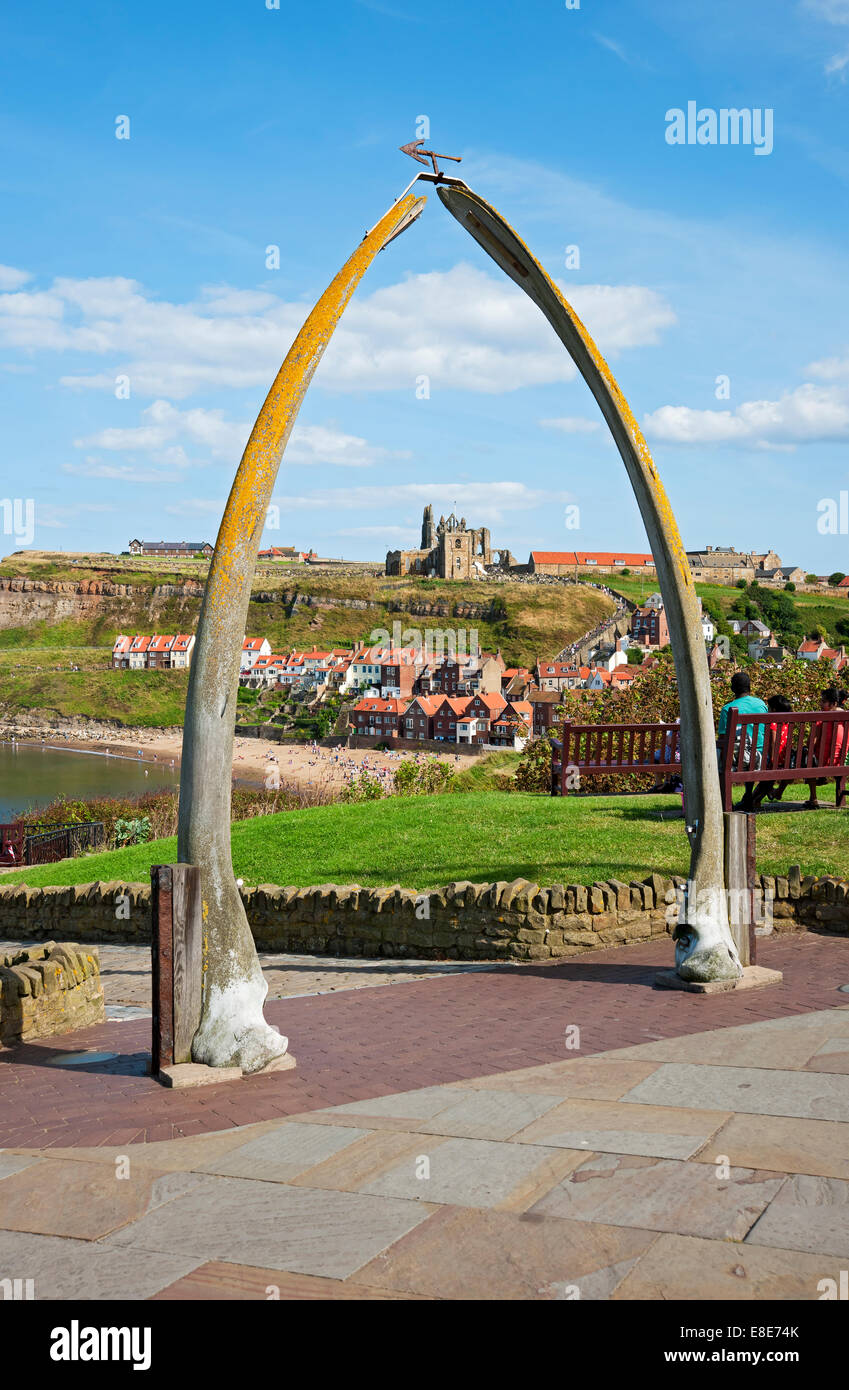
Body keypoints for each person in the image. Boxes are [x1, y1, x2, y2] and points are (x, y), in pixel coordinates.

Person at [717, 671, 768, 810]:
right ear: (749, 687)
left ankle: (723, 801)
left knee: (717, 756)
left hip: (738, 759)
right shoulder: (761, 705)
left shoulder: (727, 709)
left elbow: (723, 739)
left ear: (733, 689)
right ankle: (748, 795)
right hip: (761, 756)